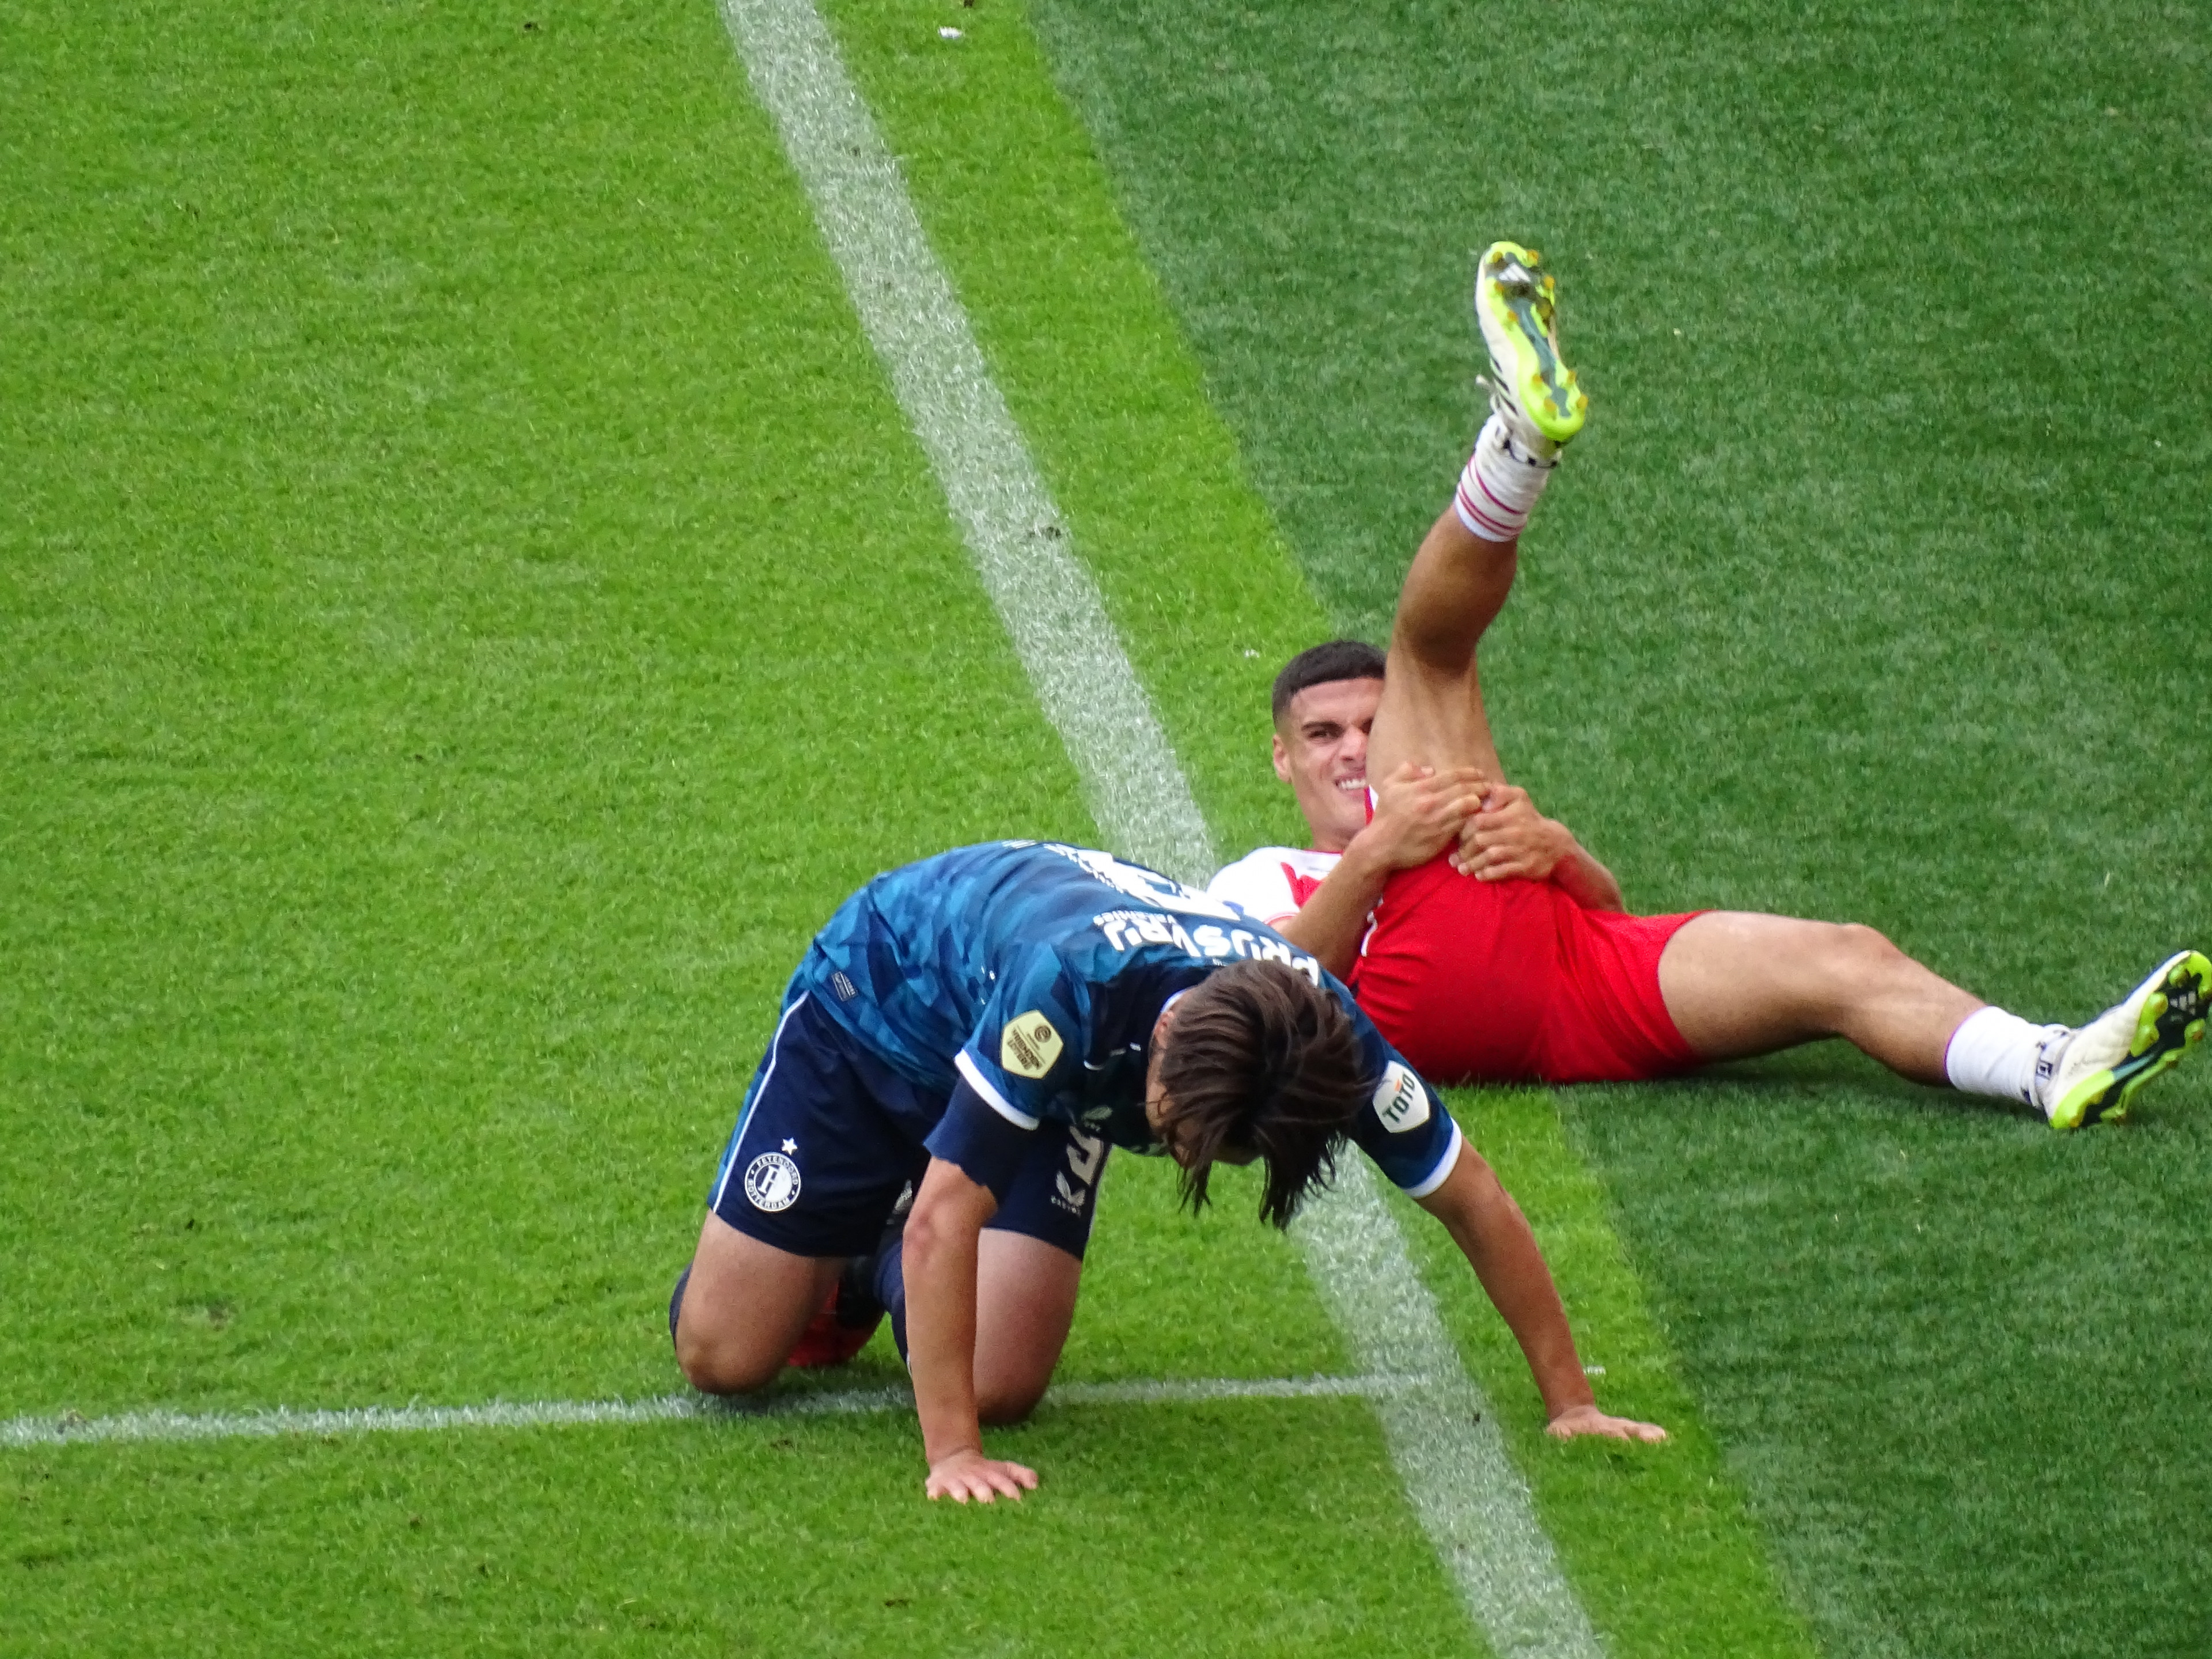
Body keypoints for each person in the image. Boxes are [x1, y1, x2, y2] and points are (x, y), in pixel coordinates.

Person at [1207, 241, 2209, 1126]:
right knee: (1432, 654)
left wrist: (1558, 849)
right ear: (1282, 758)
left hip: (1569, 980)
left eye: (1370, 726)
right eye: (1326, 734)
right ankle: (1520, 448)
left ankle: (2049, 1066)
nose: (1357, 749)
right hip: (1405, 990)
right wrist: (1379, 850)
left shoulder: (1444, 807)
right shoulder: (1259, 878)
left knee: (1844, 958)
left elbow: (1604, 909)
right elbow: (1266, 993)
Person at [672, 839, 1665, 1506]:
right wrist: (954, 1455)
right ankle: (852, 1227)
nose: (1190, 1158)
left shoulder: (1326, 1043)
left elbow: (1473, 1198)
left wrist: (1571, 1401)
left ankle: (864, 1267)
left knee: (997, 1381)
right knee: (725, 1357)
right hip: (879, 1009)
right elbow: (947, 1220)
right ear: (1163, 1045)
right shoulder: (1070, 994)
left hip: (1051, 1090)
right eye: (1178, 1131)